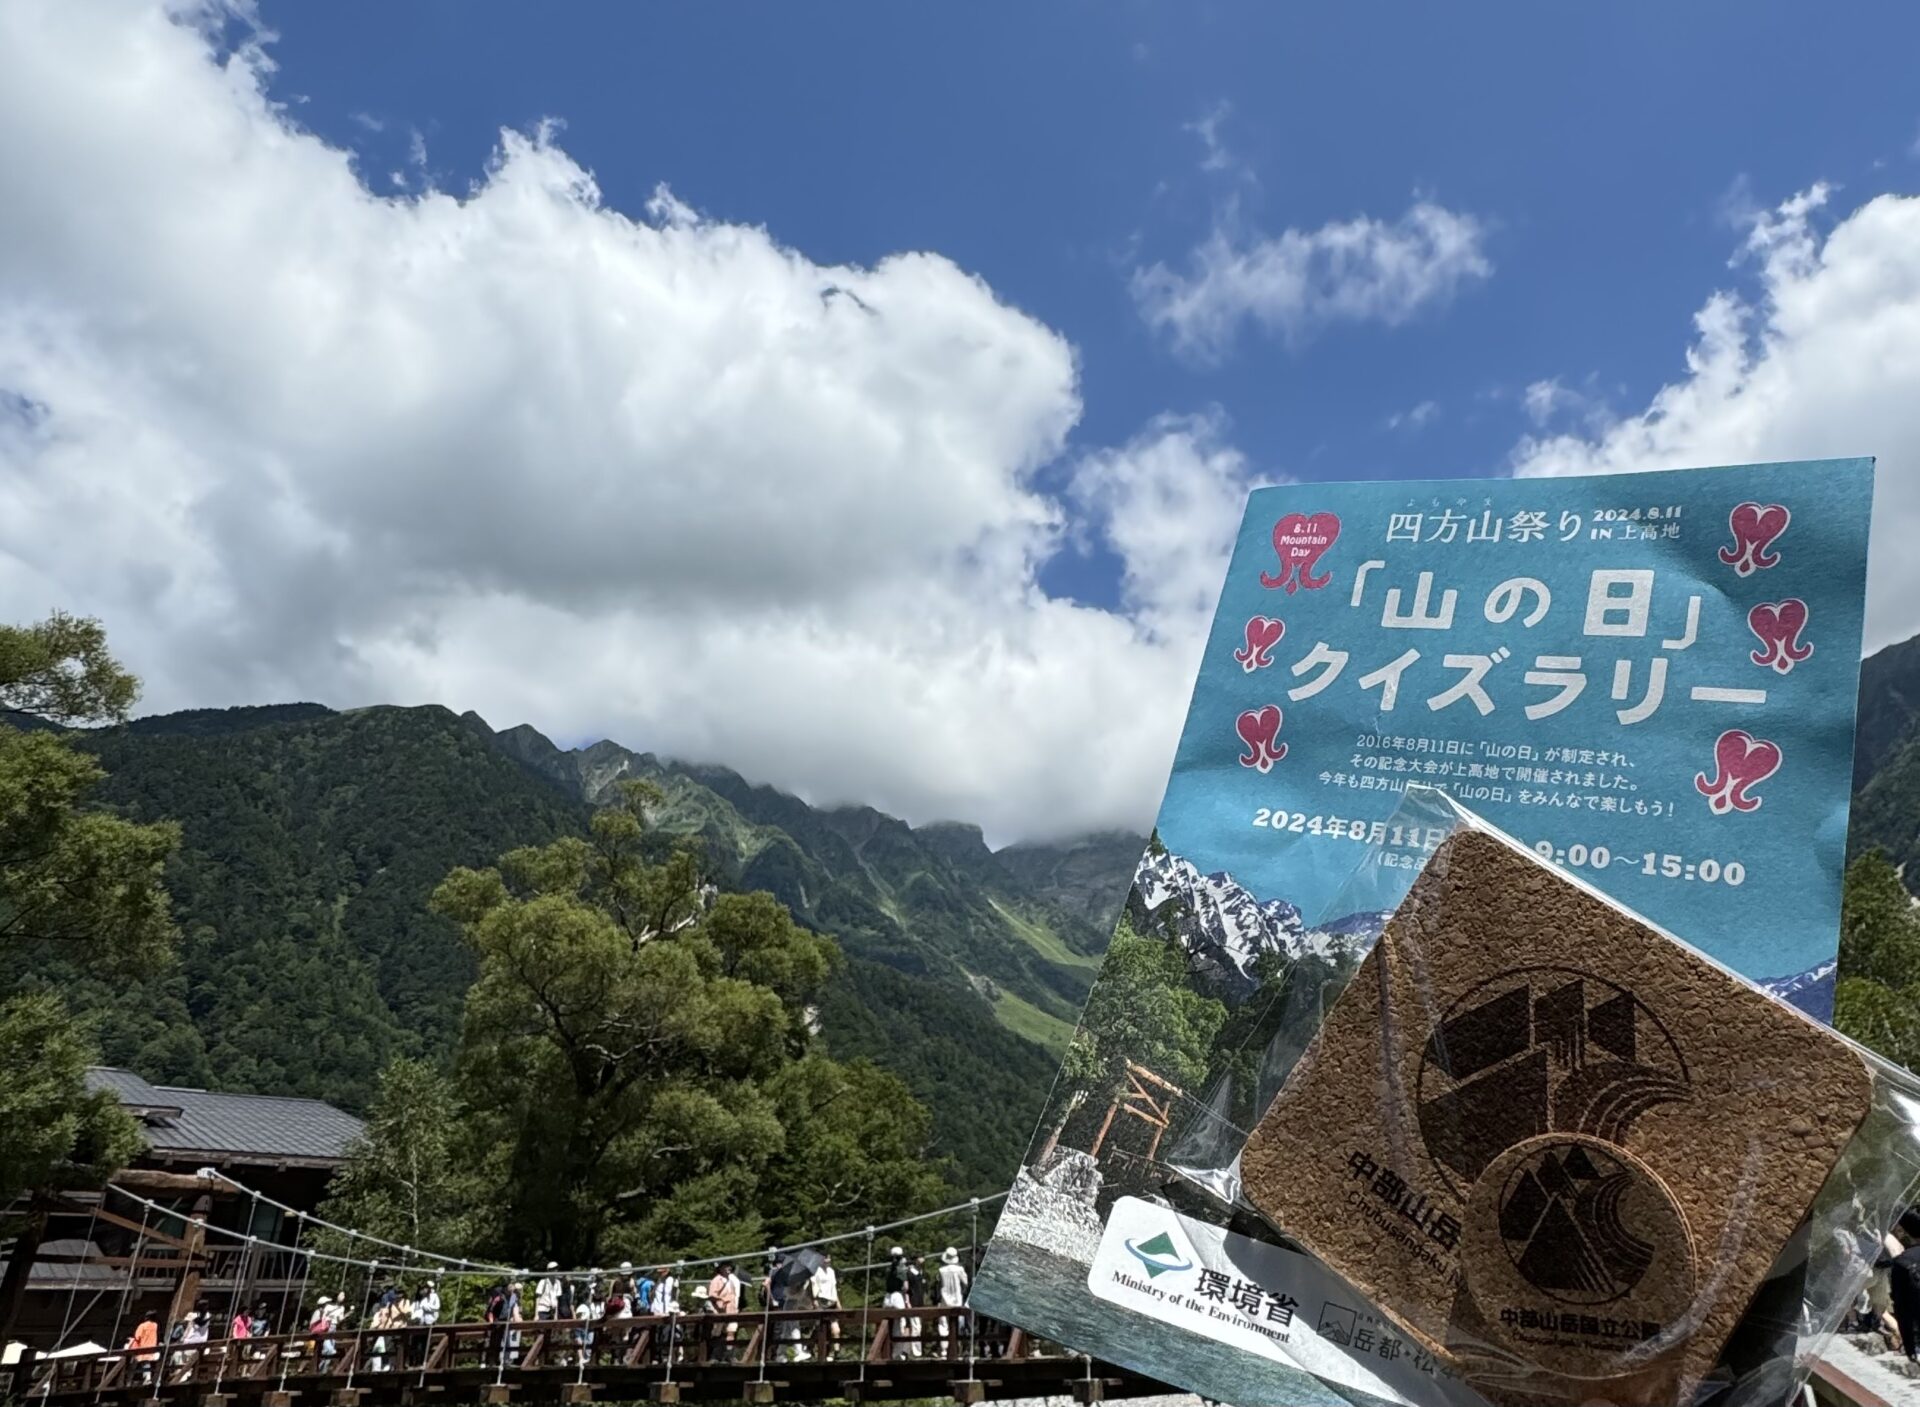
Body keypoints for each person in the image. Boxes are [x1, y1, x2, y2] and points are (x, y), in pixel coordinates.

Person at [936, 1247, 970, 1357]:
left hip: (944, 1299)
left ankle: (944, 1350)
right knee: (959, 1324)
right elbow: (966, 1283)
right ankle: (956, 1348)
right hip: (957, 1300)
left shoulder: (941, 1270)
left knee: (944, 1325)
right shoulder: (959, 1269)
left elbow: (939, 1285)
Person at [810, 1251, 841, 1356]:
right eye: (826, 1258)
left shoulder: (831, 1271)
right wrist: (815, 1301)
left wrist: (838, 1302)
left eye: (829, 1258)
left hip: (832, 1301)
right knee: (820, 1327)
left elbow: (834, 1288)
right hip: (821, 1301)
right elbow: (814, 1286)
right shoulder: (816, 1271)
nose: (828, 1260)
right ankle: (812, 1347)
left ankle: (836, 1351)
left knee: (836, 1329)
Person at [707, 1263, 739, 1362]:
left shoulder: (731, 1281)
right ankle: (715, 1356)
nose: (729, 1268)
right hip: (721, 1311)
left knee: (731, 1332)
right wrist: (722, 1301)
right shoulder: (716, 1280)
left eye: (729, 1266)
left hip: (731, 1311)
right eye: (726, 1266)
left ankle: (729, 1355)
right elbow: (712, 1295)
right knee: (718, 1333)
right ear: (721, 1268)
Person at [126, 1309, 160, 1385]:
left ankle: (129, 1381)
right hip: (151, 1347)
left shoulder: (142, 1326)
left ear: (146, 1317)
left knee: (134, 1364)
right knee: (146, 1363)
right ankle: (147, 1379)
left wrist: (131, 1340)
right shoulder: (155, 1326)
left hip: (141, 1347)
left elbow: (137, 1337)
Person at [904, 1255, 928, 1359]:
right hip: (913, 1302)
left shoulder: (922, 1273)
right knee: (916, 1327)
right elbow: (906, 1290)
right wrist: (907, 1301)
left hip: (920, 1303)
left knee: (917, 1327)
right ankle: (916, 1352)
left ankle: (912, 1350)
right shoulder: (909, 1273)